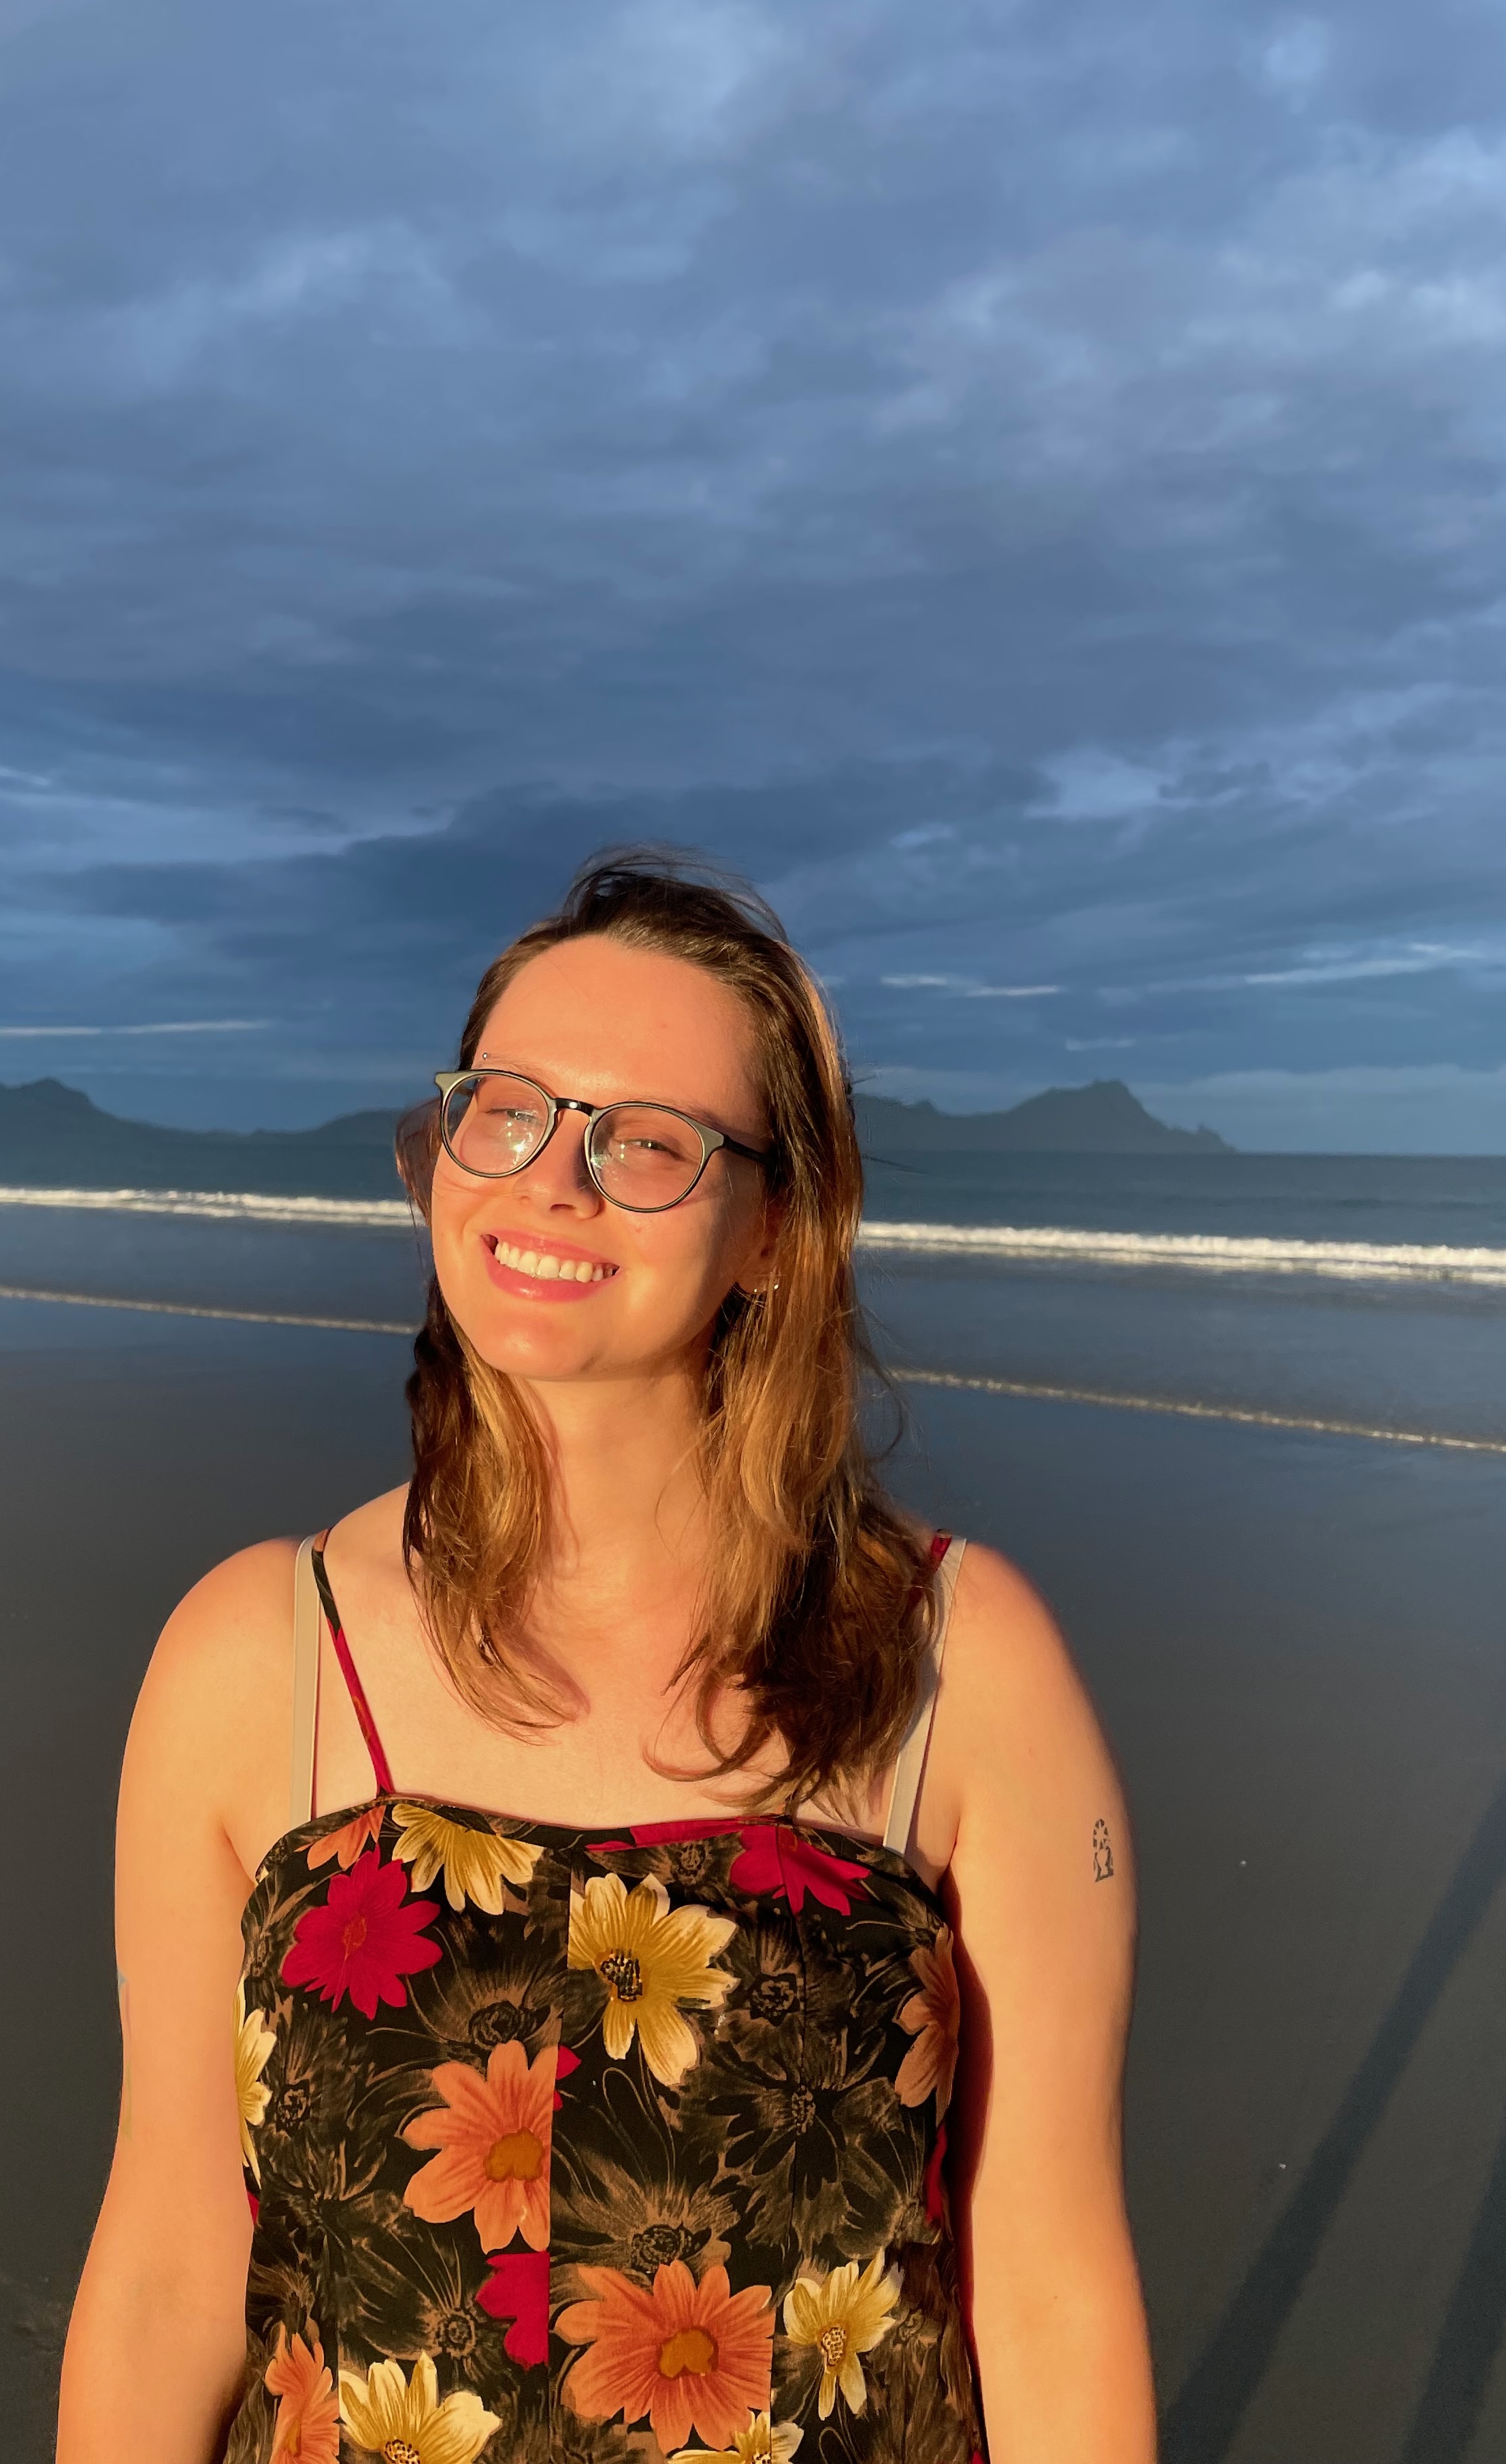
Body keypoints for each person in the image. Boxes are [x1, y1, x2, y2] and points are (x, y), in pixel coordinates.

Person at [59, 853, 1154, 2463]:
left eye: (648, 1141)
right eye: (509, 1109)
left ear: (774, 1228)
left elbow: (1049, 2289)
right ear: (443, 1147)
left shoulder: (958, 1665)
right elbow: (168, 2264)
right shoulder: (257, 1656)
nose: (552, 1182)